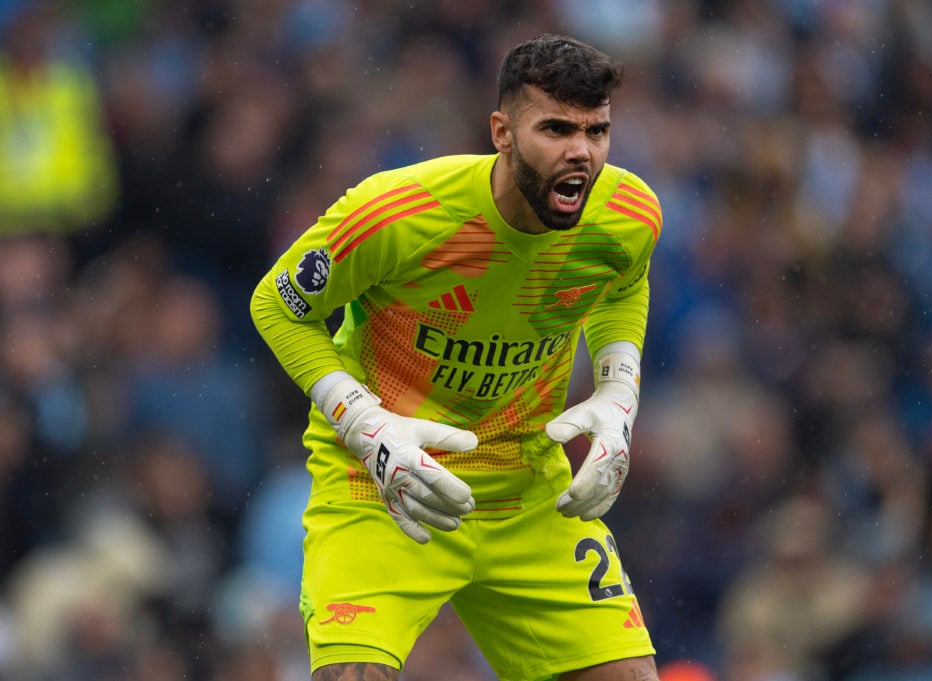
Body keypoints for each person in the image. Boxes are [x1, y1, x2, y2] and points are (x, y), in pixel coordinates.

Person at [250, 33, 662, 681]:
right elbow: (277, 304)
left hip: (528, 494)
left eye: (597, 131)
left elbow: (625, 282)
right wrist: (361, 420)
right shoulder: (401, 214)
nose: (581, 152)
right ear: (501, 131)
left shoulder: (626, 213)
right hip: (382, 488)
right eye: (556, 128)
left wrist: (617, 391)